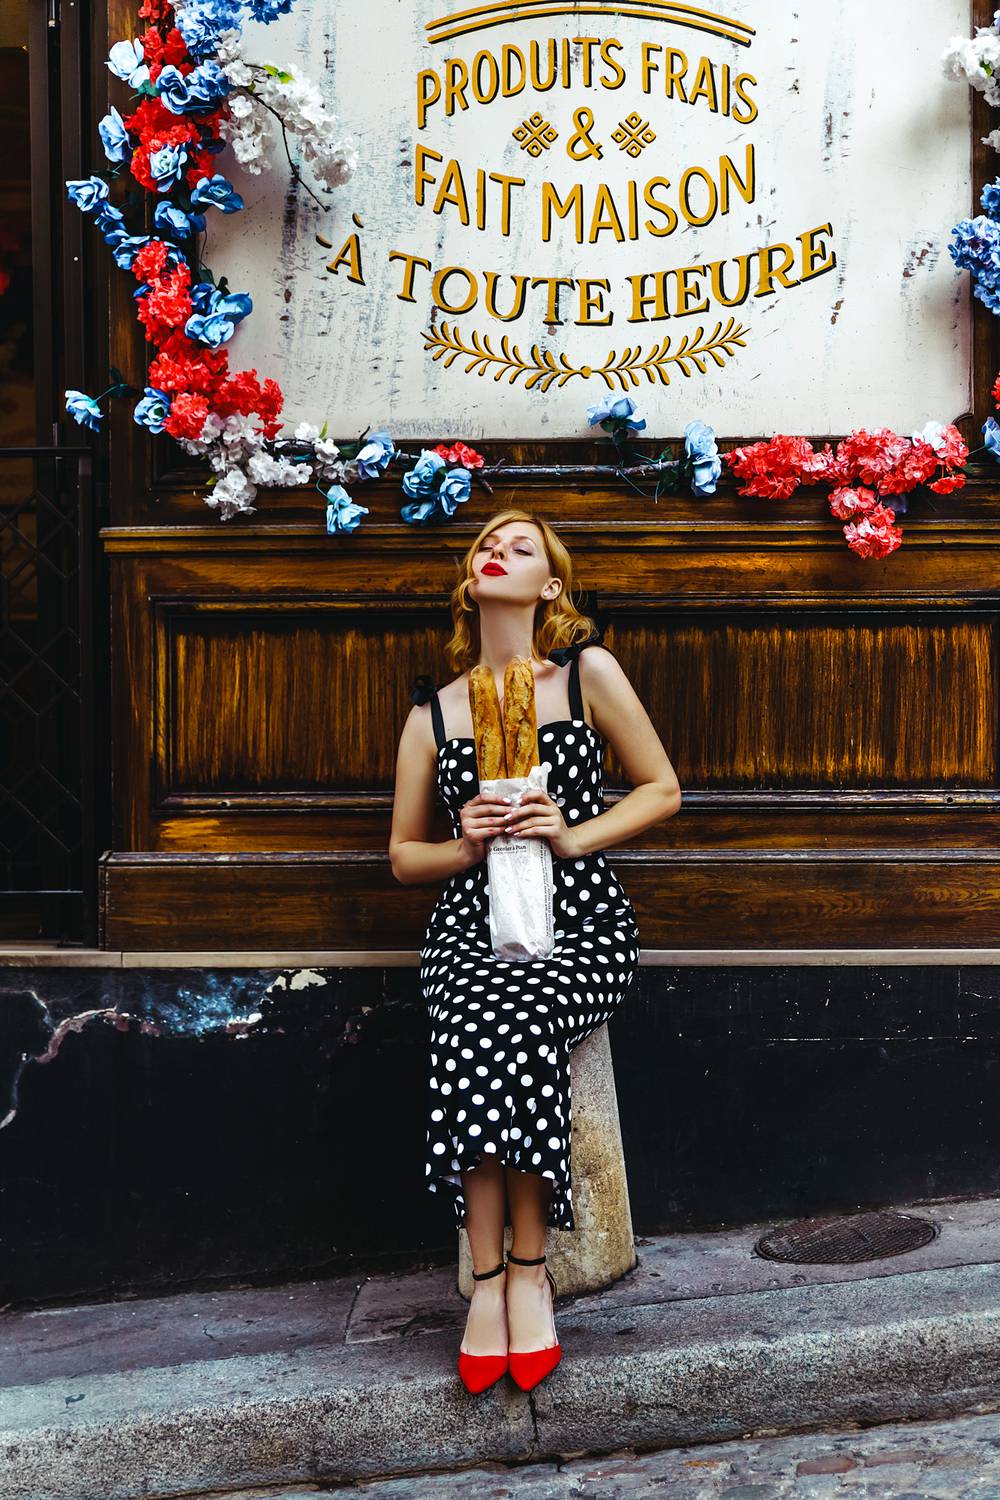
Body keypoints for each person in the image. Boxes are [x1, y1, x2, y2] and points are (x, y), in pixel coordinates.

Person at [388, 508, 680, 1394]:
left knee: (510, 1013)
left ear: (550, 585)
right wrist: (467, 844)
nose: (496, 552)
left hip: (582, 915)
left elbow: (662, 788)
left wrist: (572, 832)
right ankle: (498, 1279)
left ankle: (522, 1270)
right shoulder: (434, 713)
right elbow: (405, 857)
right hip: (472, 921)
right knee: (484, 1013)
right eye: (486, 543)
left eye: (521, 548)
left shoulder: (587, 673)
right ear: (467, 580)